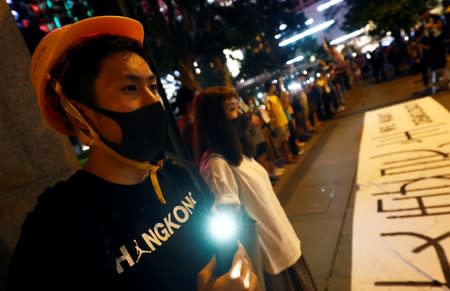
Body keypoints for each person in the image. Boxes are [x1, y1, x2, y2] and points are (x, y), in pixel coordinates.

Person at [7, 16, 261, 291]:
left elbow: (227, 251)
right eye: (130, 88)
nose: (153, 100)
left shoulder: (178, 173)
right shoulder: (56, 228)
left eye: (153, 86)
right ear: (80, 118)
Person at [193, 86, 317, 291]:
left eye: (238, 106)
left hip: (283, 245)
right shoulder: (217, 164)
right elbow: (226, 221)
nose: (241, 114)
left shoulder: (238, 154)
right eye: (232, 109)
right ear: (216, 120)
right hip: (270, 261)